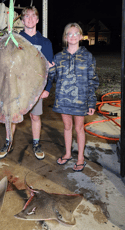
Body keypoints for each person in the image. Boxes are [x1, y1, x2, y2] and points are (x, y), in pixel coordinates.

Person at [0, 6, 54, 160]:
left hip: (36, 87)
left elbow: (49, 68)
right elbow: (3, 61)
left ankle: (36, 143)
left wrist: (46, 88)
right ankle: (8, 143)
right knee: (12, 116)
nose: (30, 19)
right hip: (16, 87)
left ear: (37, 19)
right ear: (22, 21)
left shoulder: (45, 42)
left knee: (35, 117)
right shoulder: (14, 39)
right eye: (26, 16)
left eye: (33, 16)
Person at [48, 23, 99, 172]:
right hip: (63, 99)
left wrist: (91, 102)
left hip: (81, 99)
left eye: (76, 33)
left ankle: (81, 158)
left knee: (79, 128)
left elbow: (92, 80)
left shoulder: (88, 56)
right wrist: (50, 69)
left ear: (81, 36)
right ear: (65, 37)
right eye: (69, 34)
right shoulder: (58, 57)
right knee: (67, 127)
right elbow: (55, 78)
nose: (73, 36)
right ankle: (68, 154)